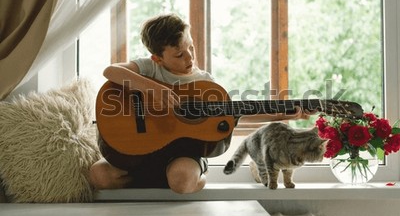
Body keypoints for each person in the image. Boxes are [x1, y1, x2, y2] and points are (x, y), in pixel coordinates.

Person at [89, 13, 309, 194]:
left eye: (191, 48)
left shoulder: (204, 83)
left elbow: (233, 115)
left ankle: (193, 178)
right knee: (98, 176)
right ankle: (156, 181)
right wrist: (153, 88)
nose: (190, 58)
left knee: (182, 179)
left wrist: (279, 115)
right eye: (179, 55)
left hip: (181, 155)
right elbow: (110, 72)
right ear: (158, 58)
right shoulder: (149, 68)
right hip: (142, 154)